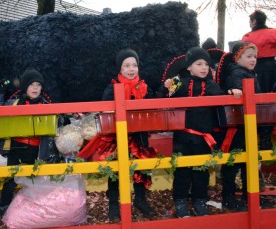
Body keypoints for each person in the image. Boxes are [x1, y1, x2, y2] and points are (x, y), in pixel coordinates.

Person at [162, 47, 236, 218]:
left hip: (204, 138)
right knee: (182, 171)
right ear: (189, 67)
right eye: (199, 64)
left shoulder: (212, 85)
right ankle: (180, 203)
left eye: (206, 64)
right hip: (183, 137)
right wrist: (166, 87)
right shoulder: (180, 82)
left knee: (201, 171)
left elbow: (224, 98)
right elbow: (165, 96)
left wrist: (232, 92)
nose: (204, 67)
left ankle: (199, 202)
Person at [102, 49, 156, 220]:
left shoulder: (145, 87)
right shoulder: (112, 87)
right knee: (116, 171)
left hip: (140, 135)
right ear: (120, 69)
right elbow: (105, 108)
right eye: (127, 66)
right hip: (118, 138)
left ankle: (140, 199)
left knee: (141, 168)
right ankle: (113, 205)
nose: (131, 69)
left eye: (134, 65)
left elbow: (154, 104)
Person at [0, 68, 53, 217]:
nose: (35, 88)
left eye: (38, 85)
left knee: (38, 179)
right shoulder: (14, 103)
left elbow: (56, 125)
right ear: (25, 87)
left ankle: (37, 210)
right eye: (31, 84)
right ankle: (4, 207)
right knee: (10, 179)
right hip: (16, 147)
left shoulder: (47, 105)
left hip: (37, 149)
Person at [216, 41, 261, 211]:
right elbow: (233, 94)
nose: (253, 59)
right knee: (233, 161)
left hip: (248, 124)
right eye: (248, 56)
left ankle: (248, 195)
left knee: (247, 161)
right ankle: (229, 196)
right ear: (237, 58)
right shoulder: (236, 75)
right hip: (237, 125)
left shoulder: (251, 74)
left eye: (255, 56)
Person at [242, 10, 276, 150]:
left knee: (258, 102)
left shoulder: (248, 36)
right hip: (273, 68)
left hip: (256, 69)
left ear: (254, 21)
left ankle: (262, 136)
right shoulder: (273, 32)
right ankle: (267, 136)